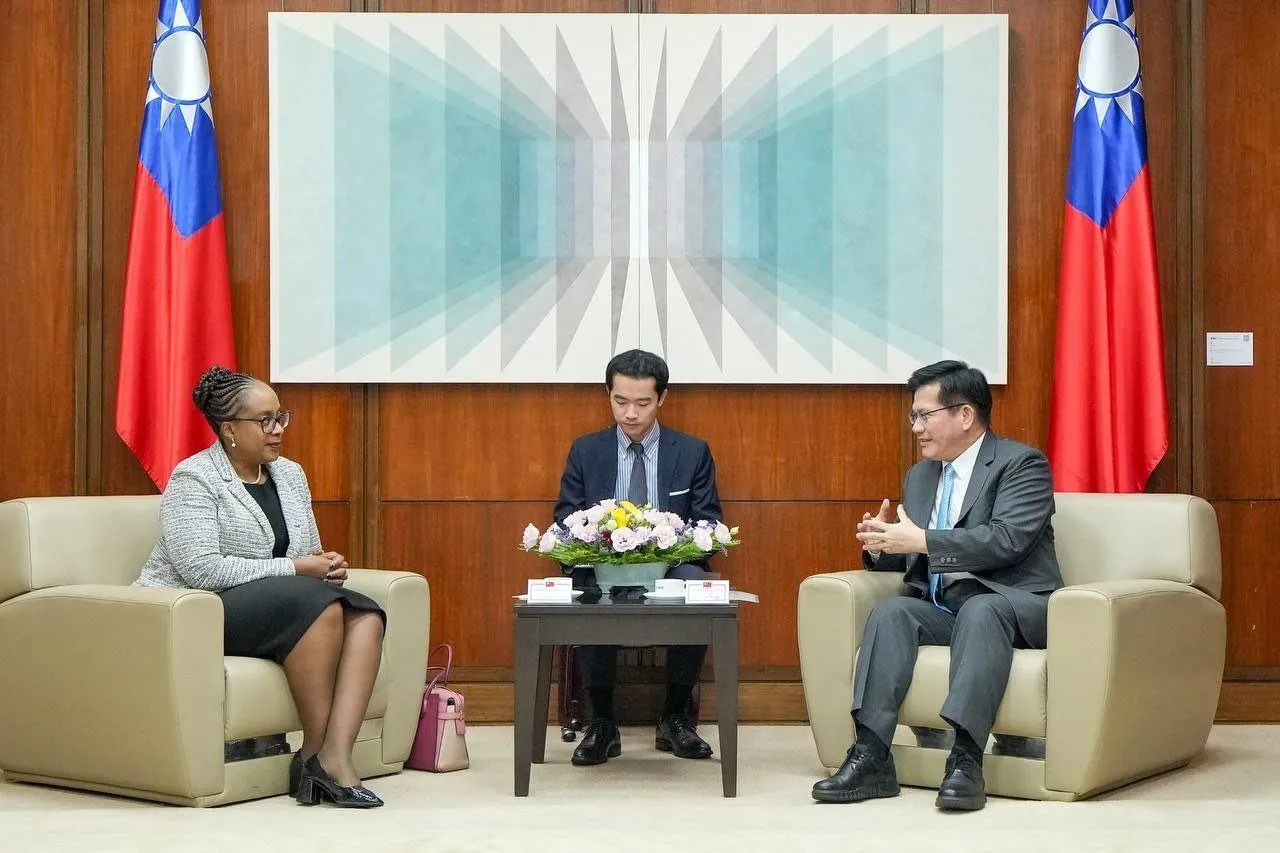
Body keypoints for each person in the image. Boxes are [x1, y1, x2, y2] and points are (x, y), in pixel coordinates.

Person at [811, 360, 1064, 812]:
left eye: (924, 416)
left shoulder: (1021, 464)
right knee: (891, 612)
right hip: (946, 607)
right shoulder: (921, 475)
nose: (916, 428)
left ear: (964, 415)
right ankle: (871, 754)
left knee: (981, 609)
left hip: (1012, 605)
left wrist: (922, 539)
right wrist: (882, 544)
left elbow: (1007, 540)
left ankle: (966, 758)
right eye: (914, 417)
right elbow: (918, 552)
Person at [136, 366, 387, 808]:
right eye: (265, 421)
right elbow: (201, 570)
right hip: (201, 610)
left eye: (281, 417)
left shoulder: (289, 475)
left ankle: (329, 757)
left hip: (272, 603)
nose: (277, 430)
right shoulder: (194, 478)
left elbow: (305, 550)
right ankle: (315, 755)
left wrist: (324, 565)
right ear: (229, 429)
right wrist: (295, 569)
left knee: (366, 615)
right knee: (320, 607)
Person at [553, 349, 723, 767]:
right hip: (603, 562)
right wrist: (596, 544)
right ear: (608, 394)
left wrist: (668, 543)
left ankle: (675, 716)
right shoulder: (586, 450)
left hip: (670, 563)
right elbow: (564, 519)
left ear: (661, 399)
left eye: (643, 403)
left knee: (694, 584)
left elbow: (710, 526)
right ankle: (602, 723)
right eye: (620, 401)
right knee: (586, 585)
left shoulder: (692, 451)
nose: (630, 413)